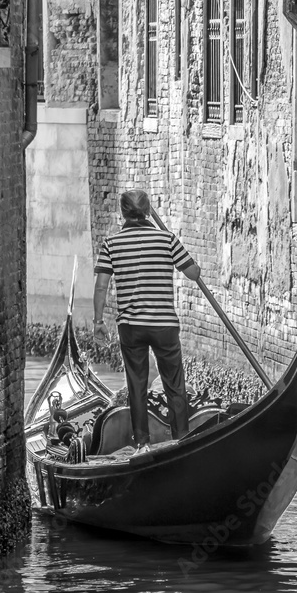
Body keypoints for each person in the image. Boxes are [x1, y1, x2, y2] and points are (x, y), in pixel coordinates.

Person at [93, 189, 201, 453]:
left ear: (123, 213)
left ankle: (142, 443)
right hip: (164, 324)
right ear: (148, 210)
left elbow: (101, 286)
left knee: (137, 384)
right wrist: (186, 259)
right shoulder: (166, 240)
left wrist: (98, 321)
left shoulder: (112, 243)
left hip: (131, 326)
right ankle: (182, 439)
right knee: (174, 384)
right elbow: (193, 272)